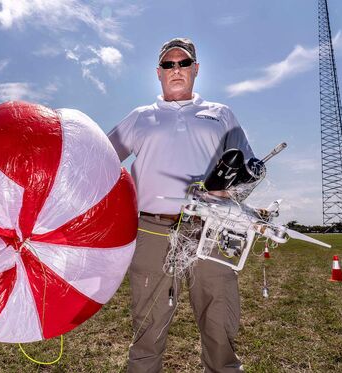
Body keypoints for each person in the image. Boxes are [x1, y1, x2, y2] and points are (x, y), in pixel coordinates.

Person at [107, 38, 254, 373]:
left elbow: (249, 168)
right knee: (147, 327)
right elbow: (102, 160)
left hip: (212, 231)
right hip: (152, 229)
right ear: (158, 73)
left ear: (196, 69)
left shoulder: (221, 114)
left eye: (184, 63)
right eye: (169, 64)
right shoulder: (141, 117)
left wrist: (231, 192)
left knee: (219, 322)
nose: (176, 69)